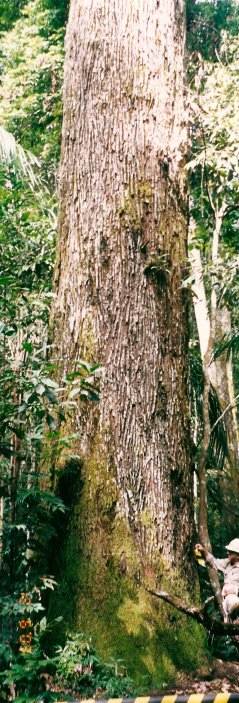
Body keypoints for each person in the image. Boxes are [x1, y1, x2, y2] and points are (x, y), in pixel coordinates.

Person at [195, 539, 239, 620]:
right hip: (229, 609)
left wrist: (236, 590)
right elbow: (213, 561)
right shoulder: (227, 563)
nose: (227, 553)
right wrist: (202, 550)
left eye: (231, 552)